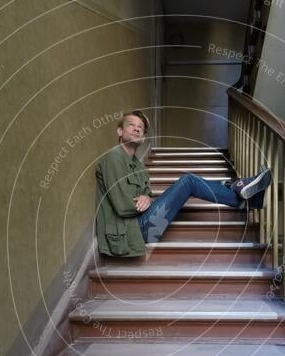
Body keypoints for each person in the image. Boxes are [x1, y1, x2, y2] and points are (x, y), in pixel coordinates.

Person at [95, 110, 272, 257]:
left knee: (189, 182)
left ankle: (242, 194)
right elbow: (123, 206)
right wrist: (146, 200)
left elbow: (147, 194)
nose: (136, 129)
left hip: (145, 224)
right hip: (133, 232)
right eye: (131, 125)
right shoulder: (114, 158)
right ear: (119, 131)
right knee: (188, 181)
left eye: (140, 127)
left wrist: (147, 198)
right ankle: (239, 192)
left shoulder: (138, 165)